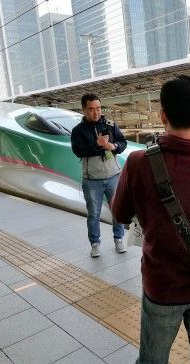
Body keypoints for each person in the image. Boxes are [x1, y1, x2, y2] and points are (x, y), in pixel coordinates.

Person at [112, 75, 190, 364]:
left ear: (163, 115)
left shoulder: (138, 162)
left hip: (161, 285)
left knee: (152, 359)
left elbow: (120, 214)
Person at [71, 93, 127, 257]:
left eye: (98, 108)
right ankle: (95, 244)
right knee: (93, 213)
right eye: (91, 109)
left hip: (113, 176)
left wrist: (112, 145)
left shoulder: (110, 124)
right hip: (91, 180)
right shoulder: (78, 131)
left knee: (118, 210)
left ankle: (119, 239)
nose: (96, 113)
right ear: (83, 110)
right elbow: (78, 151)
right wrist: (97, 145)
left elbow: (123, 143)